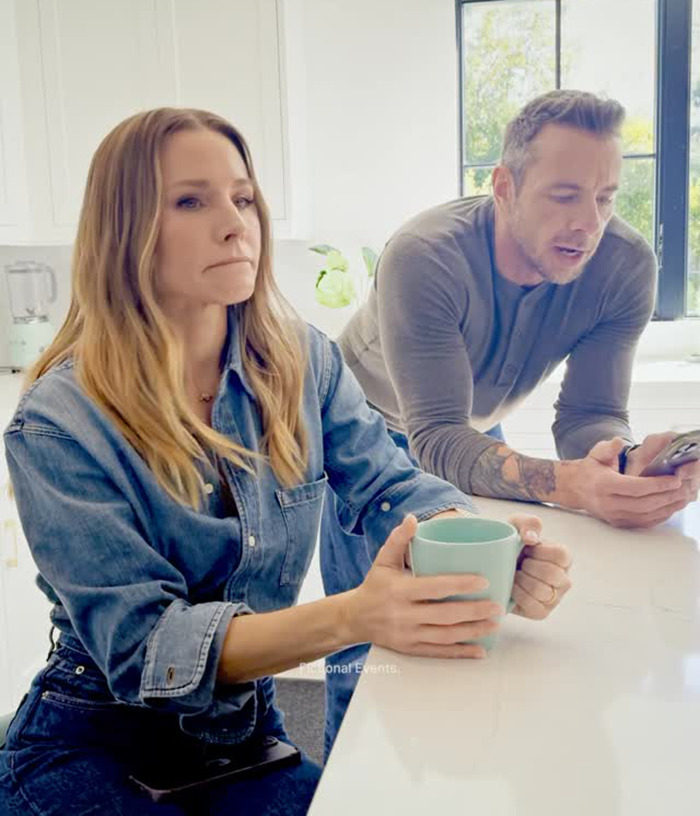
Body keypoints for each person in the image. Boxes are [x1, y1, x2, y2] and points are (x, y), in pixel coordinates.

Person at [0, 107, 572, 815]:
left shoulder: (302, 360)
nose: (236, 222)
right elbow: (147, 651)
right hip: (93, 739)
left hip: (241, 735)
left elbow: (390, 484)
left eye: (243, 197)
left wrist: (485, 546)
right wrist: (357, 616)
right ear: (125, 232)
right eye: (190, 201)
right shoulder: (59, 422)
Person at [321, 90, 700, 752]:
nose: (590, 222)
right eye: (564, 195)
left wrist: (619, 463)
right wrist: (570, 486)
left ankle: (457, 769)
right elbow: (432, 434)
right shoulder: (423, 255)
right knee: (368, 651)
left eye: (606, 197)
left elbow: (588, 414)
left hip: (471, 427)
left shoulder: (624, 266)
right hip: (367, 437)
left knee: (473, 628)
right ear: (504, 186)